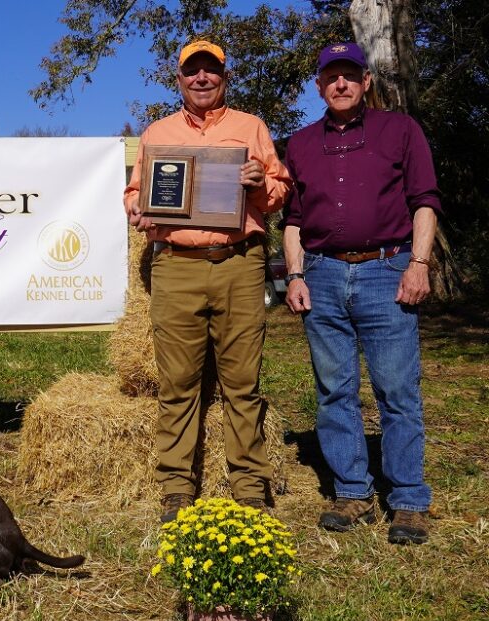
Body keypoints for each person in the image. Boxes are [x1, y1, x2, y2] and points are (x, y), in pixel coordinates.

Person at [123, 40, 290, 523]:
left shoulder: (251, 127)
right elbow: (135, 192)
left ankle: (250, 487)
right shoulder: (158, 133)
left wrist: (260, 182)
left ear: (224, 77)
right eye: (192, 71)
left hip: (240, 262)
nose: (202, 78)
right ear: (179, 79)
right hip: (175, 265)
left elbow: (280, 191)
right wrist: (136, 208)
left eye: (210, 70)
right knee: (178, 382)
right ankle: (177, 488)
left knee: (242, 383)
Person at [282, 43, 440, 544]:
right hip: (322, 274)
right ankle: (352, 492)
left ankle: (408, 499)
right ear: (319, 86)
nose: (341, 84)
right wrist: (295, 275)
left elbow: (424, 201)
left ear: (366, 81)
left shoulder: (400, 130)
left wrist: (418, 264)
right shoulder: (300, 143)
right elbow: (293, 219)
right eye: (332, 77)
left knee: (397, 390)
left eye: (350, 75)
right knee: (334, 390)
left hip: (386, 270)